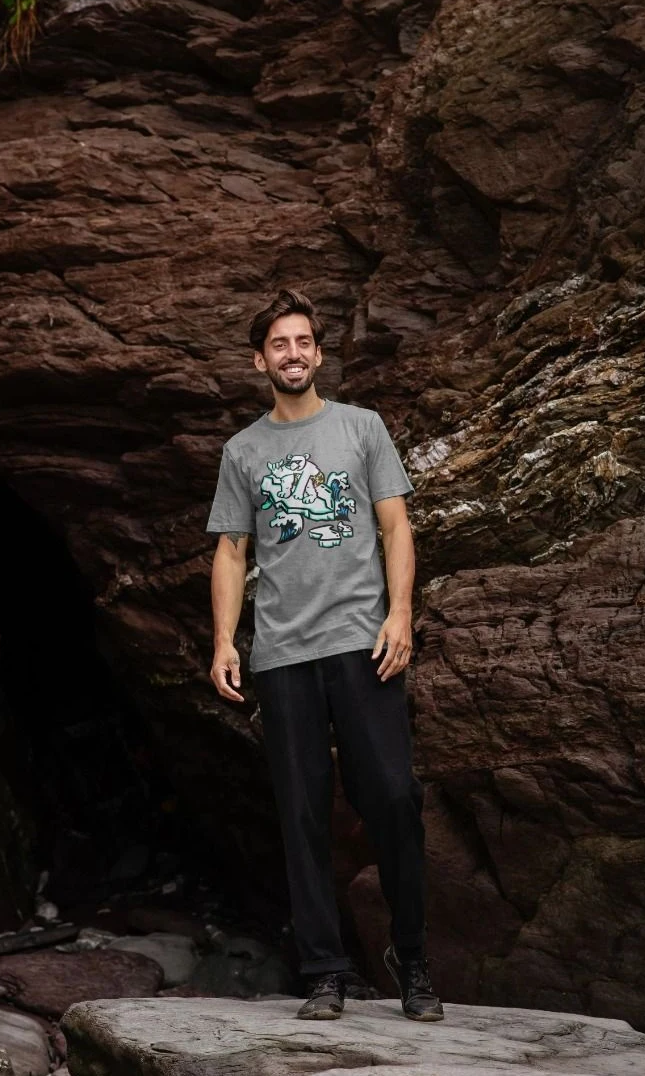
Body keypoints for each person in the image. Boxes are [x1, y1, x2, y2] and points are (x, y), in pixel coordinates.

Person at [205, 289, 443, 1022]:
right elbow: (231, 550)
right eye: (280, 344)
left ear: (318, 352)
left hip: (363, 644)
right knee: (303, 813)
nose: (294, 353)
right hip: (282, 655)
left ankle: (413, 959)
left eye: (304, 341)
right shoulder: (242, 451)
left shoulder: (362, 428)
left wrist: (400, 614)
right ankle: (325, 972)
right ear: (260, 361)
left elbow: (396, 527)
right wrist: (224, 640)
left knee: (393, 798)